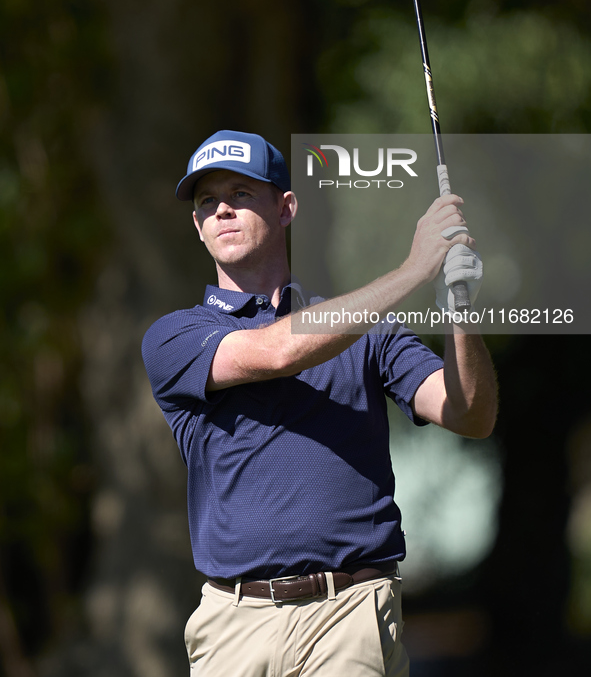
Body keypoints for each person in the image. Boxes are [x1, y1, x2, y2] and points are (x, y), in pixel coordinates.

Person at [142, 129, 497, 677]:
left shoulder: (369, 329)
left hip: (351, 613)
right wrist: (411, 270)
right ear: (197, 226)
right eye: (207, 201)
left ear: (286, 209)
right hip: (234, 624)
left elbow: (470, 414)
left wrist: (459, 305)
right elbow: (277, 351)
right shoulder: (176, 336)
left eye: (241, 193)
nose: (222, 211)